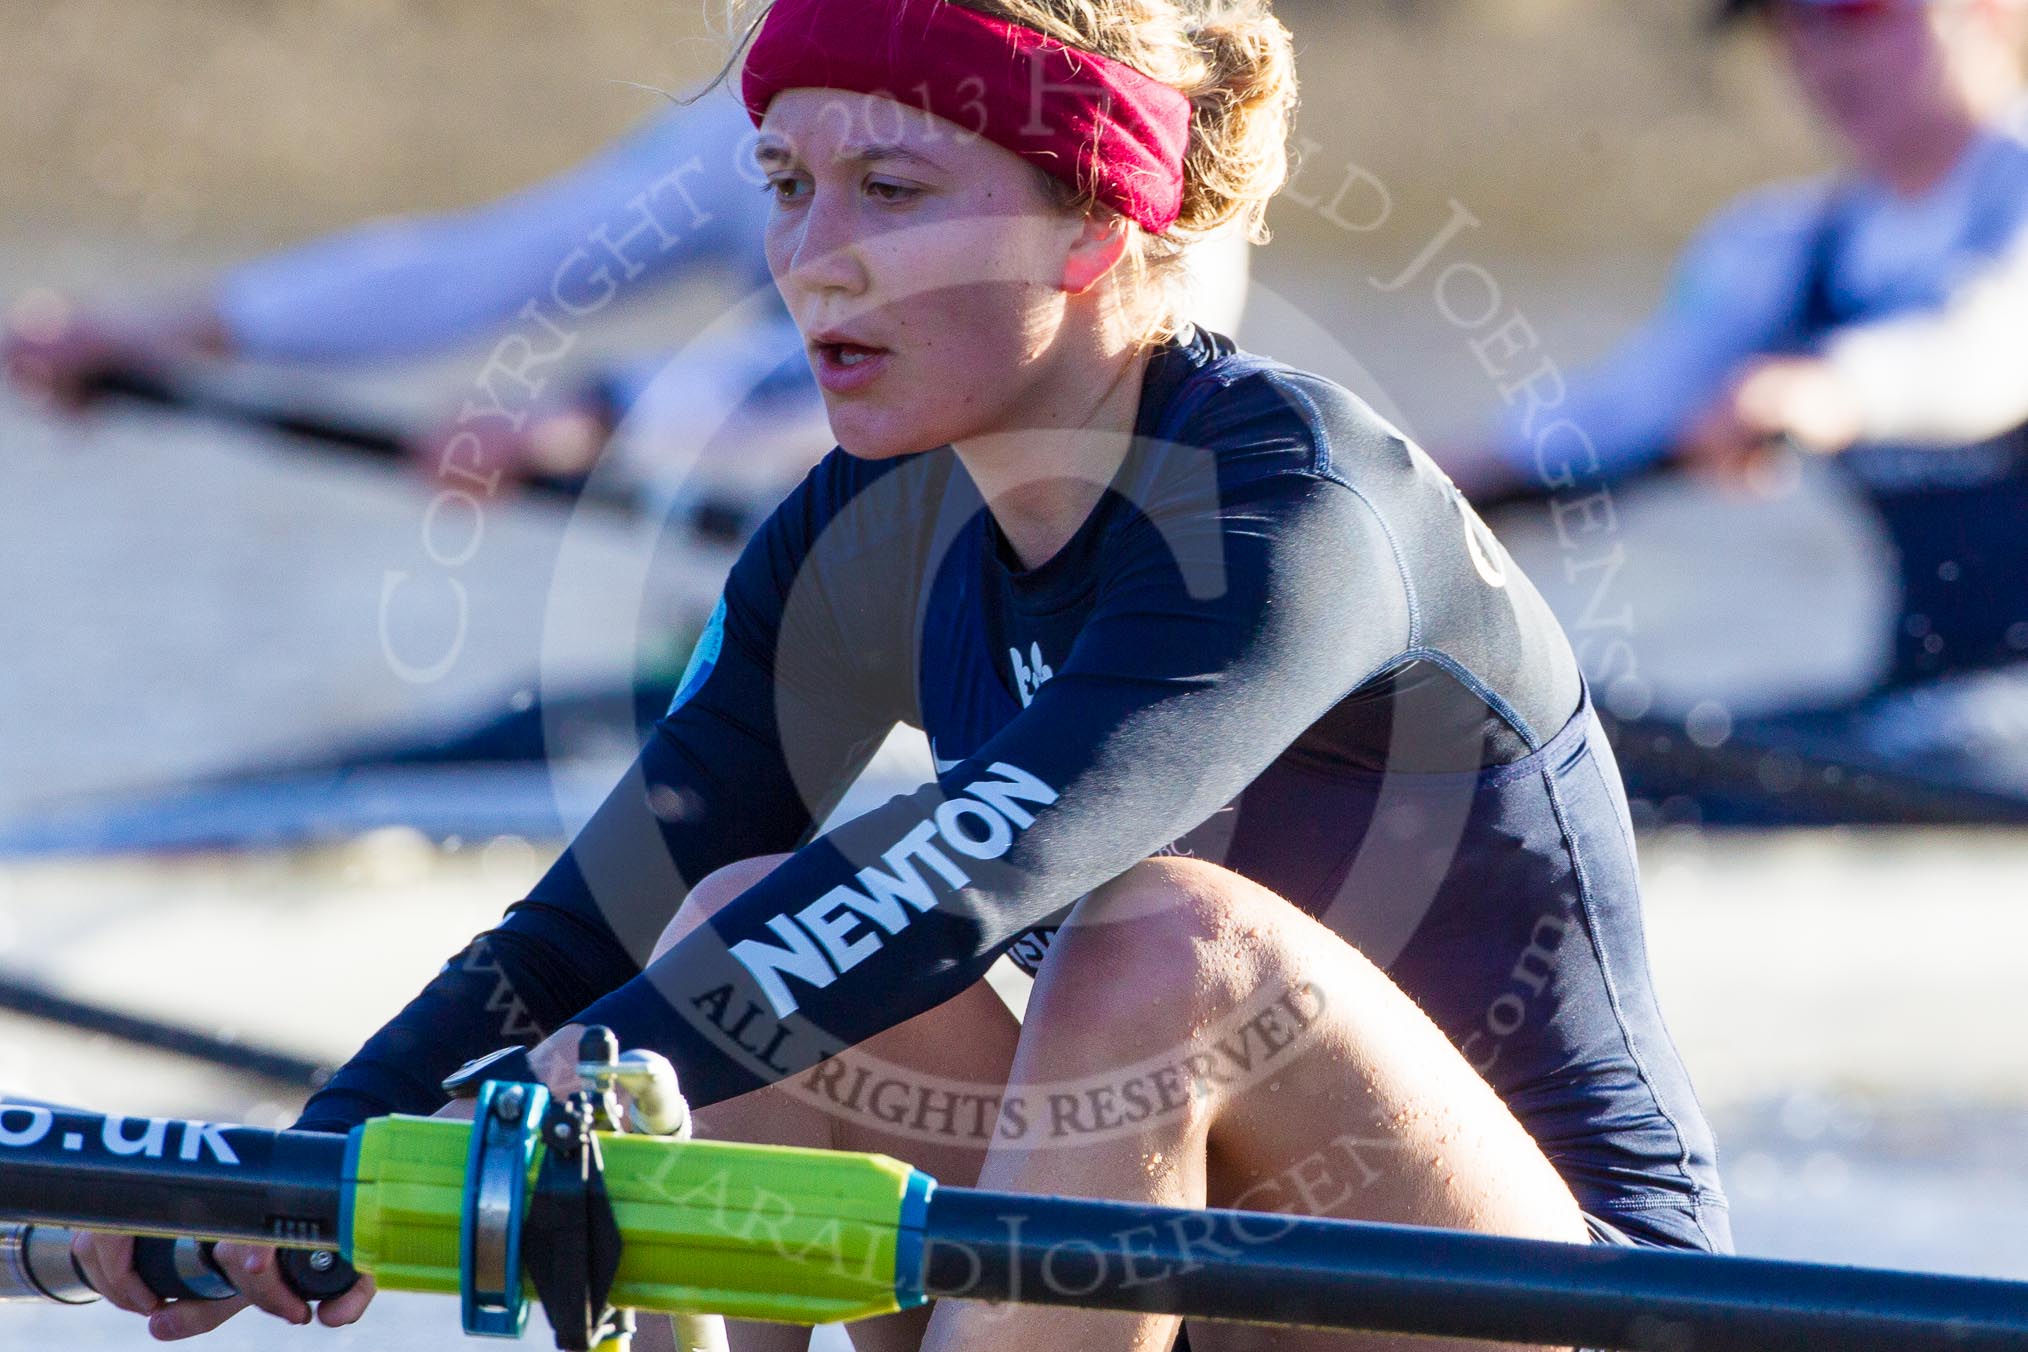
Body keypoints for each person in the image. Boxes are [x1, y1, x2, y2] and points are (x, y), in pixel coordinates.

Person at [77, 1, 1727, 1348]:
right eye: (786, 185)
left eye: (893, 191)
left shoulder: (1289, 505)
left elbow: (982, 864)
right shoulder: (855, 528)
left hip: (1544, 1292)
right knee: (721, 906)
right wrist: (298, 1167)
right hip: (1154, 1257)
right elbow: (584, 924)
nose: (814, 257)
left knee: (1165, 945)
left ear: (1094, 225)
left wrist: (486, 1130)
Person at [4, 87, 1251, 505]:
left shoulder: (1095, 120)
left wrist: (597, 411)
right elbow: (490, 263)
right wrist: (156, 335)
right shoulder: (787, 103)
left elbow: (914, 347)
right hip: (859, 590)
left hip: (1088, 579)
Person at [1470, 0, 2028, 702]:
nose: (1821, 55)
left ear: (1992, 11)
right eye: (1789, 22)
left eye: (1855, 10)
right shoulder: (1787, 247)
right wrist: (1445, 478)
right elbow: (1629, 410)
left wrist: (1836, 390)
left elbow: (1993, 354)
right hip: (1933, 708)